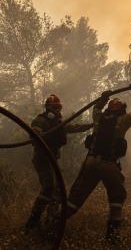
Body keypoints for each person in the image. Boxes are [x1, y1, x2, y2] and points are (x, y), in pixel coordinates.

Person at [65, 83, 131, 243]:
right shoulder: (124, 119)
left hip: (91, 162)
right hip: (109, 165)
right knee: (118, 196)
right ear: (122, 109)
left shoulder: (99, 118)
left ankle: (55, 222)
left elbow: (95, 109)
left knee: (76, 197)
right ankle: (112, 236)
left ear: (109, 108)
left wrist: (103, 99)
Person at [23, 94, 93, 233]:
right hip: (43, 158)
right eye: (55, 107)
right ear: (48, 107)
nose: (57, 110)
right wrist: (39, 135)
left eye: (58, 107)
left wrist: (91, 125)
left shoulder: (58, 123)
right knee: (49, 188)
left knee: (57, 192)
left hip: (52, 159)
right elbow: (34, 134)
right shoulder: (41, 120)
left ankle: (51, 223)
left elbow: (74, 127)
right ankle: (31, 223)